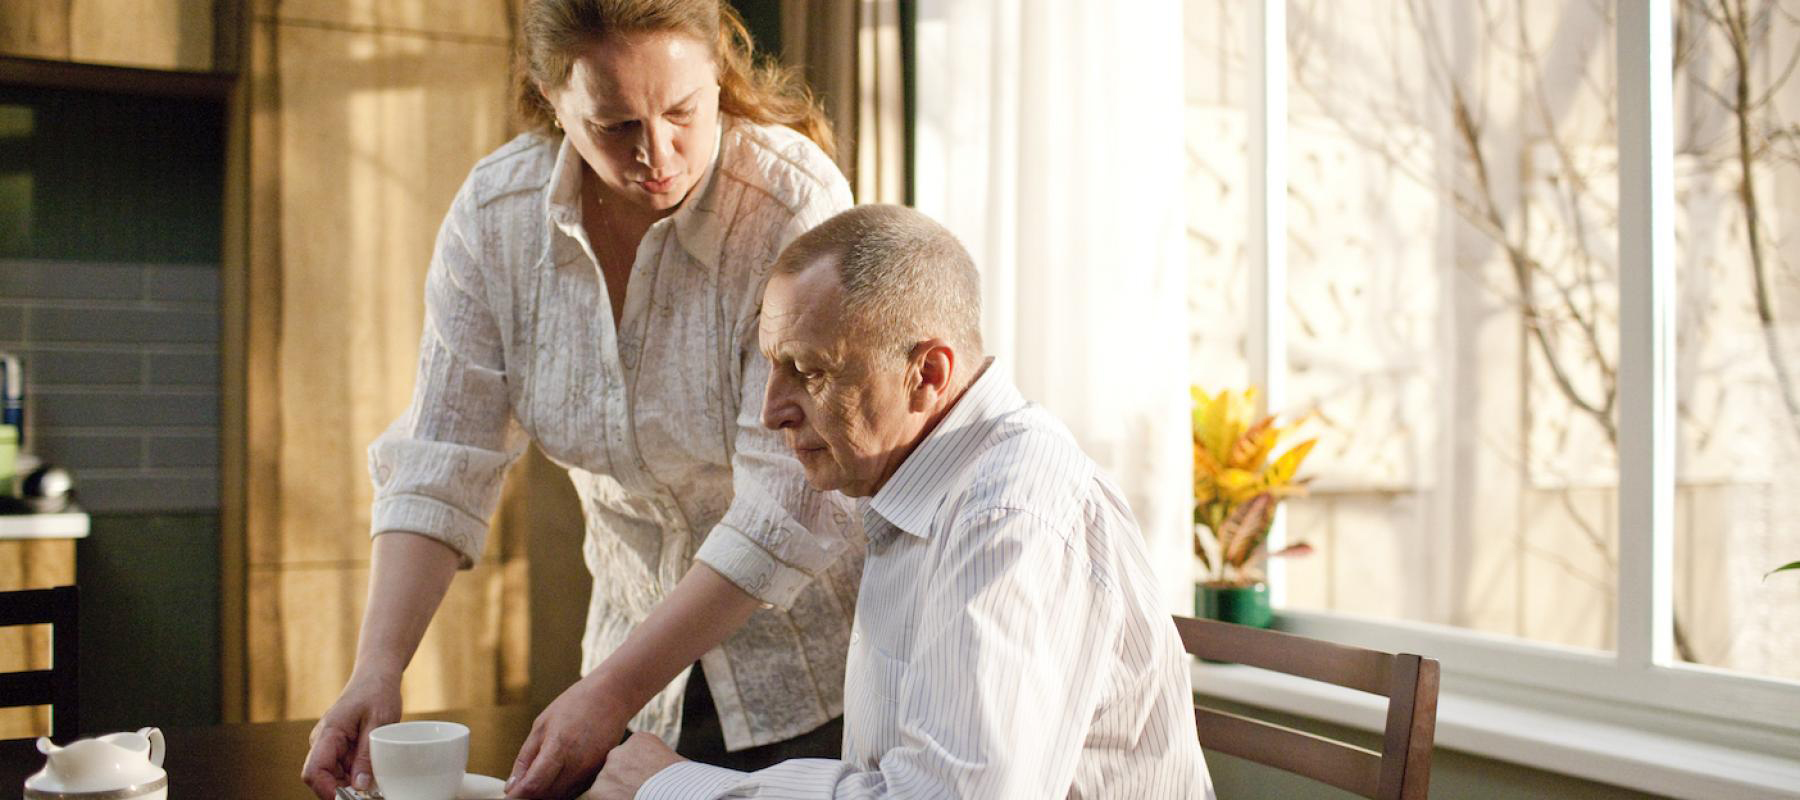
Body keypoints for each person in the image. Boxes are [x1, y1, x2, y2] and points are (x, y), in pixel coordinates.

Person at [298, 2, 864, 798]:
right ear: (551, 98)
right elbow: (441, 458)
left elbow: (786, 502)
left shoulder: (788, 202)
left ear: (718, 74)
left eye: (681, 112)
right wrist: (375, 670)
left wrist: (609, 693)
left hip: (811, 676)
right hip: (631, 669)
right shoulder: (497, 219)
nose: (658, 153)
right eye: (616, 125)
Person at [591, 205, 1215, 799]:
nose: (771, 409)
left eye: (809, 372)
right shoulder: (927, 489)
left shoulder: (1007, 517)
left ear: (929, 374)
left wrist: (672, 786)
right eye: (772, 366)